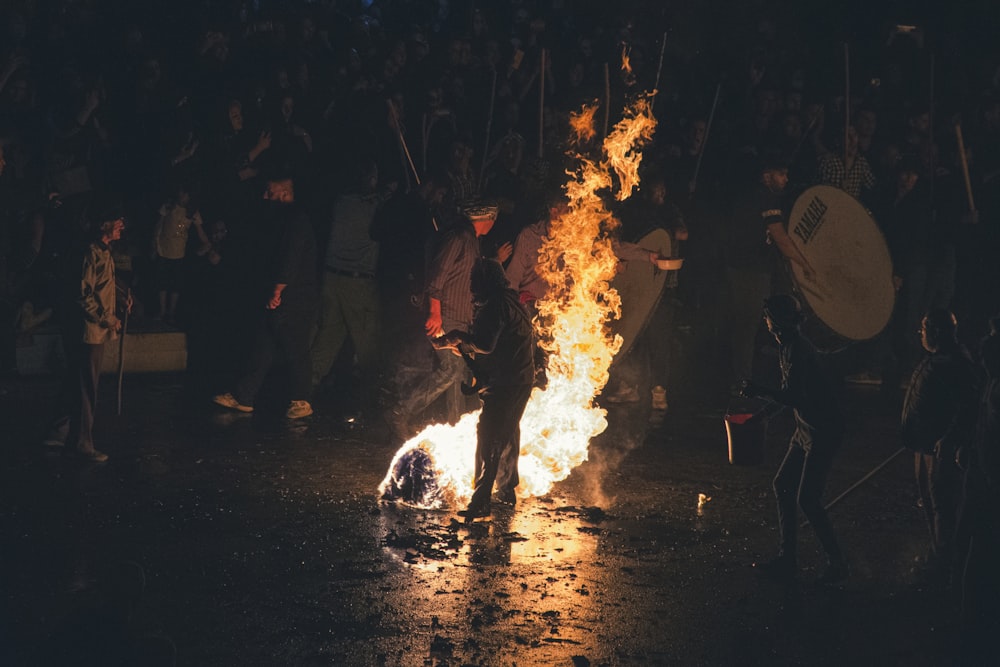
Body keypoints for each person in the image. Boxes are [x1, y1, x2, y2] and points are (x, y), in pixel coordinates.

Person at [742, 294, 848, 585]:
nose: (764, 322)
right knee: (783, 485)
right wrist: (762, 415)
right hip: (806, 428)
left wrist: (758, 392)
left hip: (823, 430)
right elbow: (791, 393)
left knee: (808, 499)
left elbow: (793, 396)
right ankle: (788, 558)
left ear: (775, 321)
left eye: (767, 317)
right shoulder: (788, 345)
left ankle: (836, 561)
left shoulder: (796, 349)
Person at [432, 258, 534, 519]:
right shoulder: (509, 300)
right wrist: (457, 344)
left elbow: (485, 344)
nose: (471, 286)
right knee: (508, 431)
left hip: (508, 380)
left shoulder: (495, 304)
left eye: (474, 280)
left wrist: (458, 337)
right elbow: (494, 344)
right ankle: (506, 490)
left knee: (490, 434)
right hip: (517, 377)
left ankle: (482, 499)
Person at [389, 202, 501, 439]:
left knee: (460, 374)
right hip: (446, 316)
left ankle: (456, 426)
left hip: (461, 319)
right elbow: (437, 277)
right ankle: (401, 411)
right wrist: (434, 313)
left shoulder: (471, 240)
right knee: (450, 369)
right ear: (488, 219)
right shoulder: (459, 237)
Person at [212, 174, 318, 419]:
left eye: (270, 193)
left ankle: (302, 399)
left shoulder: (296, 221)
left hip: (296, 296)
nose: (264, 197)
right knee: (263, 344)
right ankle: (244, 395)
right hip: (281, 293)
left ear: (284, 194)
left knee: (295, 346)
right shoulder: (281, 219)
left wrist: (277, 290)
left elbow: (290, 259)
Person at [45, 204, 131, 463]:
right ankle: (83, 442)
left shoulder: (104, 250)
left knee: (77, 379)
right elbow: (84, 294)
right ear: (105, 224)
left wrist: (123, 295)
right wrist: (108, 319)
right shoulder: (90, 252)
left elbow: (105, 283)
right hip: (90, 332)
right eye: (118, 222)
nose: (122, 227)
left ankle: (58, 432)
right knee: (86, 386)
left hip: (93, 330)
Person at [724, 154, 817, 393]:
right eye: (781, 174)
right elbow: (780, 237)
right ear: (768, 176)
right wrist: (805, 265)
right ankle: (742, 380)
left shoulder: (753, 196)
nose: (786, 179)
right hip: (749, 270)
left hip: (745, 267)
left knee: (746, 325)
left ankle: (742, 376)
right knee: (747, 324)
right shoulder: (764, 198)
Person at [900, 308, 980, 581]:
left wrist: (950, 439)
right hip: (924, 445)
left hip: (938, 449)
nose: (921, 334)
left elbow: (968, 408)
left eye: (923, 330)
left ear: (934, 332)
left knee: (942, 504)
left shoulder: (957, 363)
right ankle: (939, 552)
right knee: (930, 499)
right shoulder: (938, 359)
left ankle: (947, 560)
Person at [310, 158, 387, 422]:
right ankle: (373, 405)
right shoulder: (373, 206)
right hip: (358, 282)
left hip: (331, 277)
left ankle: (302, 391)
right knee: (368, 344)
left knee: (328, 337)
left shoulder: (340, 202)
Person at [957, 316, 1000, 665]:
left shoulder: (992, 383)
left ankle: (973, 620)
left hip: (986, 480)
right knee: (982, 552)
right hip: (987, 480)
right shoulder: (993, 385)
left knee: (979, 552)